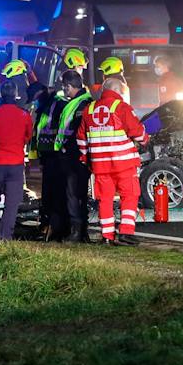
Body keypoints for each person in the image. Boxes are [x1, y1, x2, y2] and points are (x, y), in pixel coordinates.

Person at [78, 72, 146, 247]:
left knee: (105, 199)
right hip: (123, 163)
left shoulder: (90, 109)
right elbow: (138, 133)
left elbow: (81, 138)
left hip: (100, 165)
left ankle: (107, 236)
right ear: (118, 91)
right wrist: (145, 139)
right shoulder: (122, 107)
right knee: (130, 195)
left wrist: (87, 157)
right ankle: (126, 233)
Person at [36, 70, 93, 241]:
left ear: (69, 86)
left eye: (64, 87)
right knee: (75, 194)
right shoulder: (78, 102)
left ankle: (77, 232)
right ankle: (79, 231)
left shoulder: (82, 104)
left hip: (74, 156)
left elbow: (76, 131)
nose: (63, 90)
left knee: (74, 194)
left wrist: (65, 149)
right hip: (73, 155)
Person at [0, 81, 34, 241]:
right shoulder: (24, 115)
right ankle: (5, 235)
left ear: (1, 94)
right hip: (15, 163)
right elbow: (28, 136)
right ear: (16, 94)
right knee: (12, 201)